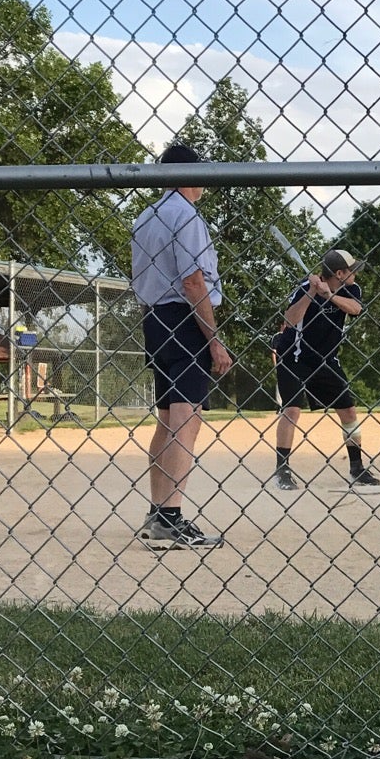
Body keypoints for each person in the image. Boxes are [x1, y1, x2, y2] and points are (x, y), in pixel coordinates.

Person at [130, 144, 230, 549]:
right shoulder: (185, 215)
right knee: (186, 420)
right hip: (185, 320)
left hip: (155, 319)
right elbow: (193, 281)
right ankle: (171, 517)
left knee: (169, 419)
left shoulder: (146, 216)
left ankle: (158, 512)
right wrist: (214, 339)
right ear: (188, 174)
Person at [272, 249, 380, 489]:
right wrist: (312, 292)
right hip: (294, 358)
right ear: (339, 273)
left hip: (326, 360)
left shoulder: (352, 289)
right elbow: (289, 320)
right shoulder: (305, 287)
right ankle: (282, 470)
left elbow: (355, 308)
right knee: (291, 411)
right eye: (351, 270)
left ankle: (357, 468)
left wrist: (329, 295)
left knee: (349, 411)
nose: (355, 274)